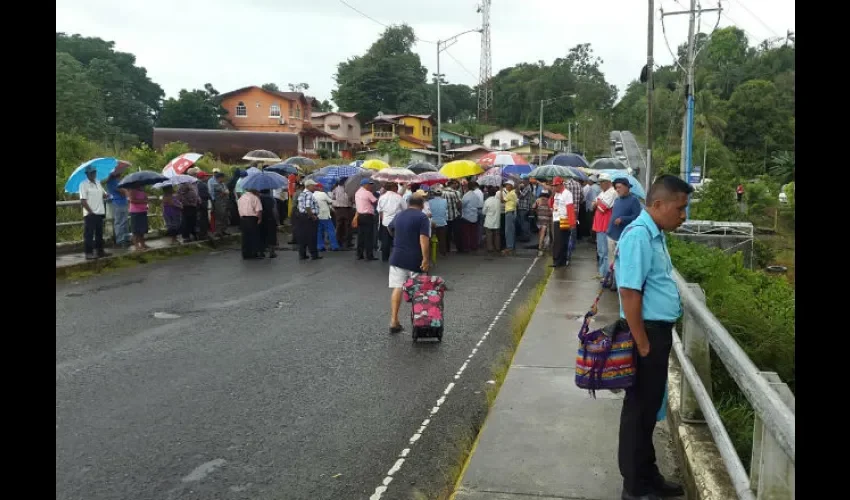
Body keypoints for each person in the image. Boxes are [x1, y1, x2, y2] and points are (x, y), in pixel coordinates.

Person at [615, 175, 691, 500]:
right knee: (638, 412)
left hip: (655, 334)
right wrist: (643, 343)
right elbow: (630, 293)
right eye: (680, 208)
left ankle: (649, 476)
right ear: (658, 204)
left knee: (649, 411)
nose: (684, 215)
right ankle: (634, 486)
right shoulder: (639, 237)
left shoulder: (655, 233)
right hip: (645, 336)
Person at [387, 196, 431, 334]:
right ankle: (419, 322)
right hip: (415, 258)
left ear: (408, 203)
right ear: (422, 204)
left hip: (397, 257)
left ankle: (394, 320)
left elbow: (390, 229)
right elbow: (423, 239)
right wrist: (425, 258)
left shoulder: (399, 215)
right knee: (418, 291)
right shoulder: (422, 218)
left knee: (397, 288)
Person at [607, 177, 643, 289]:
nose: (617, 190)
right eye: (616, 188)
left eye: (619, 187)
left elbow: (637, 216)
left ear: (627, 187)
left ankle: (617, 283)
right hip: (611, 233)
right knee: (611, 260)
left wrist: (623, 219)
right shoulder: (617, 200)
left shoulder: (634, 200)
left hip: (622, 236)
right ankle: (611, 279)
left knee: (620, 262)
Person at [79, 165, 110, 260]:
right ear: (87, 174)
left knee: (99, 234)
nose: (93, 174)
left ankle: (100, 251)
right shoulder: (83, 184)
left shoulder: (98, 182)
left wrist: (106, 195)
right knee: (89, 234)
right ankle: (88, 253)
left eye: (94, 172)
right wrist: (90, 211)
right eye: (91, 172)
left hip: (100, 212)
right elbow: (83, 201)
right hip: (90, 214)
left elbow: (103, 194)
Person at [592, 173, 618, 277]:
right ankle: (603, 273)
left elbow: (602, 208)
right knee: (600, 251)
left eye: (602, 182)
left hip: (605, 225)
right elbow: (594, 204)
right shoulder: (603, 192)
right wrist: (597, 203)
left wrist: (597, 203)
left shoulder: (612, 192)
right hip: (599, 225)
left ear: (608, 182)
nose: (600, 184)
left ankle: (606, 274)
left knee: (605, 252)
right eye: (600, 182)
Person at [377, 182, 406, 261]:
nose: (397, 189)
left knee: (385, 242)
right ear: (394, 188)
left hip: (385, 222)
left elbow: (379, 210)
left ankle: (385, 258)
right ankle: (397, 258)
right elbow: (405, 209)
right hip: (397, 222)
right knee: (397, 241)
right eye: (396, 187)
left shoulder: (382, 197)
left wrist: (383, 219)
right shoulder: (399, 197)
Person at [550, 176, 576, 268]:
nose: (555, 187)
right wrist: (552, 195)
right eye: (554, 186)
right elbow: (551, 204)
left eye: (556, 185)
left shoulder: (567, 194)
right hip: (556, 218)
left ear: (561, 184)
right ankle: (559, 260)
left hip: (564, 219)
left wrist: (572, 223)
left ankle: (559, 260)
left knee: (561, 241)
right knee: (558, 241)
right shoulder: (556, 194)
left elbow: (570, 208)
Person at [295, 179, 322, 260]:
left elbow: (299, 206)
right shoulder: (309, 194)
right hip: (309, 217)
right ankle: (314, 254)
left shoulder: (302, 194)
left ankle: (302, 254)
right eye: (313, 186)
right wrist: (313, 216)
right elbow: (307, 207)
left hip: (301, 216)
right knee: (312, 236)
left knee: (303, 236)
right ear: (308, 186)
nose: (315, 187)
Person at [105, 171, 131, 248]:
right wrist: (126, 191)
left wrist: (126, 191)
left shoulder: (114, 181)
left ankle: (125, 239)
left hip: (122, 202)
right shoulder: (113, 182)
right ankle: (120, 240)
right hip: (118, 203)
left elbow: (125, 191)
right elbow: (123, 191)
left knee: (124, 221)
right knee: (120, 222)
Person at [354, 179, 378, 261]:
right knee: (369, 236)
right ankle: (369, 255)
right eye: (369, 184)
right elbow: (375, 201)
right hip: (367, 216)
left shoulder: (357, 193)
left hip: (360, 216)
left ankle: (359, 254)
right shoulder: (368, 193)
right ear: (364, 185)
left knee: (361, 236)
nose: (370, 186)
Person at [237, 188, 263, 259]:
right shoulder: (255, 198)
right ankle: (254, 253)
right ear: (255, 190)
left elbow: (239, 208)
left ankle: (245, 254)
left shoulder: (241, 198)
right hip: (252, 219)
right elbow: (259, 210)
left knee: (245, 237)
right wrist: (260, 218)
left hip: (243, 219)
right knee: (254, 236)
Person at [313, 183, 339, 252]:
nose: (322, 189)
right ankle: (334, 246)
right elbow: (331, 201)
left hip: (317, 216)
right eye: (321, 188)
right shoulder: (323, 194)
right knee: (331, 231)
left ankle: (320, 246)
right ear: (319, 188)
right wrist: (333, 199)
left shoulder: (313, 195)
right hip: (325, 216)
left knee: (319, 232)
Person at [331, 178, 354, 249]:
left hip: (338, 210)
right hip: (347, 209)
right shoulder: (347, 189)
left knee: (339, 226)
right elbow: (350, 199)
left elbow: (333, 198)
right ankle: (347, 243)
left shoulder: (335, 190)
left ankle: (338, 242)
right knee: (347, 226)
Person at [460, 182, 483, 252]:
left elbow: (462, 205)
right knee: (474, 233)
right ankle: (474, 246)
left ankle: (467, 247)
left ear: (467, 187)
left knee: (466, 233)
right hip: (474, 216)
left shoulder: (466, 196)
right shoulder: (475, 195)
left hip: (466, 216)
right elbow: (478, 204)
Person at [428, 185, 449, 256]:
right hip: (442, 222)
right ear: (441, 194)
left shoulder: (429, 202)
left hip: (432, 222)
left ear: (433, 194)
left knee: (431, 238)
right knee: (442, 239)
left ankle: (431, 253)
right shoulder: (445, 201)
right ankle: (443, 252)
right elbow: (445, 210)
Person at [258, 189, 278, 258]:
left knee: (261, 235)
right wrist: (277, 221)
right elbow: (274, 211)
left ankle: (261, 252)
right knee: (271, 235)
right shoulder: (272, 199)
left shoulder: (258, 198)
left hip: (261, 218)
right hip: (270, 218)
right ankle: (272, 252)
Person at [210, 172, 230, 238]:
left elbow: (227, 191)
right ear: (219, 178)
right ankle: (218, 232)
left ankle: (223, 230)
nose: (224, 178)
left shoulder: (223, 184)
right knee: (220, 217)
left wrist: (225, 192)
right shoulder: (215, 184)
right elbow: (225, 191)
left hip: (225, 202)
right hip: (219, 203)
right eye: (223, 177)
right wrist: (225, 192)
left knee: (225, 216)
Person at [532, 191, 552, 256]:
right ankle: (540, 247)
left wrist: (537, 212)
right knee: (544, 232)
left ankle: (541, 245)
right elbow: (552, 210)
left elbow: (533, 207)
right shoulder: (550, 200)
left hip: (540, 218)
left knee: (541, 232)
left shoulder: (538, 200)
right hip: (546, 218)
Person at [482, 186, 502, 253]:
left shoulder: (487, 201)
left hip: (489, 221)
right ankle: (497, 247)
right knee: (497, 235)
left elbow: (483, 212)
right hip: (497, 220)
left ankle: (490, 248)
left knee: (489, 235)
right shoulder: (498, 201)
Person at [501, 180, 518, 256]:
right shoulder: (512, 193)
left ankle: (509, 247)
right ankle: (512, 246)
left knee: (508, 231)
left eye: (507, 185)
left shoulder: (511, 193)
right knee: (512, 230)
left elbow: (502, 200)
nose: (506, 186)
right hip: (512, 212)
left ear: (511, 186)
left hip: (509, 213)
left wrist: (500, 191)